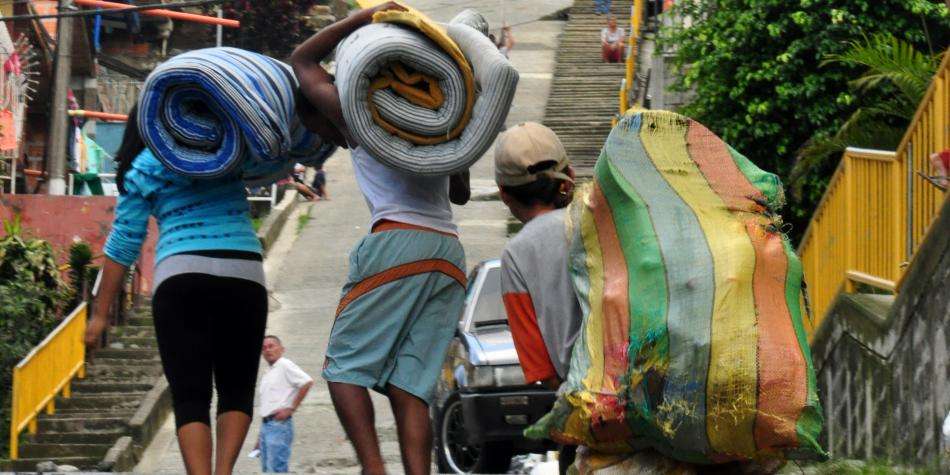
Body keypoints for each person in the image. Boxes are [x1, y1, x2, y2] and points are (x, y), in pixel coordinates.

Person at [291, 3, 471, 474]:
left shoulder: (359, 118)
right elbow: (461, 191)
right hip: (448, 253)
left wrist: (362, 18)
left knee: (343, 369)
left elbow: (302, 63)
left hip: (397, 242)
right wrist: (448, 135)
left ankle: (373, 468)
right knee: (409, 386)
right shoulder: (436, 118)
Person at [85, 104, 267, 475]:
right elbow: (272, 157)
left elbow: (123, 245)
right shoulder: (226, 150)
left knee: (190, 396)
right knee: (237, 387)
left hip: (181, 276)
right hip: (244, 271)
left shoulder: (144, 167)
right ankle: (224, 472)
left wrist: (100, 315)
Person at [493, 122, 581, 474]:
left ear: (504, 193)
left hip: (586, 409)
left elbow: (540, 366)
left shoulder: (516, 255)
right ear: (569, 175)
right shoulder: (601, 219)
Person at [254, 335, 314, 473]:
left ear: (281, 349)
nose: (267, 350)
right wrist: (260, 436)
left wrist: (291, 408)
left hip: (279, 425)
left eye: (271, 346)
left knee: (276, 469)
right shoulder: (268, 372)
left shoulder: (284, 364)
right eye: (264, 348)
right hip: (266, 425)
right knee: (267, 468)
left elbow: (307, 382)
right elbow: (267, 406)